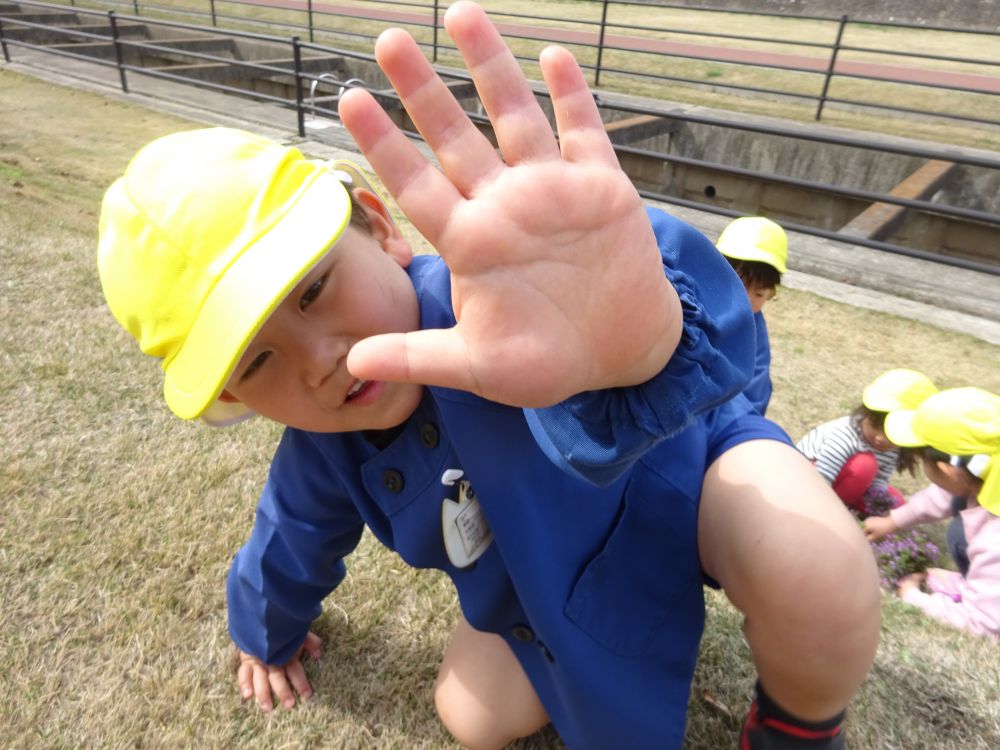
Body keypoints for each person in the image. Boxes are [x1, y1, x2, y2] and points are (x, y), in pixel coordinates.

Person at [96, 3, 879, 748]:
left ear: (378, 227)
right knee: (471, 715)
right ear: (232, 395)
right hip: (549, 587)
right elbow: (289, 540)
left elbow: (688, 348)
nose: (318, 359)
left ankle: (796, 725)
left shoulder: (497, 296)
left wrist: (640, 342)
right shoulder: (325, 447)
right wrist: (264, 635)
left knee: (813, 567)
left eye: (313, 289)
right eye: (257, 359)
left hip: (693, 471)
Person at [864, 387, 1000, 640]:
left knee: (960, 534)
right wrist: (892, 521)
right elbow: (946, 494)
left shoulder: (995, 541)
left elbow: (983, 624)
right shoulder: (987, 474)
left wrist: (913, 597)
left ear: (947, 469)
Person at [796, 368, 936, 513]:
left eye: (891, 433)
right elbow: (822, 476)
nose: (881, 438)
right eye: (875, 426)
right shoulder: (844, 435)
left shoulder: (896, 446)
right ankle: (835, 509)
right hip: (808, 476)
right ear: (865, 413)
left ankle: (846, 502)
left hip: (848, 482)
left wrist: (878, 495)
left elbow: (881, 477)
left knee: (897, 507)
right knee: (865, 466)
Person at [715, 216, 787, 415]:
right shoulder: (689, 300)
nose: (746, 300)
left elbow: (754, 395)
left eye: (759, 293)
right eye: (740, 284)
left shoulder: (754, 336)